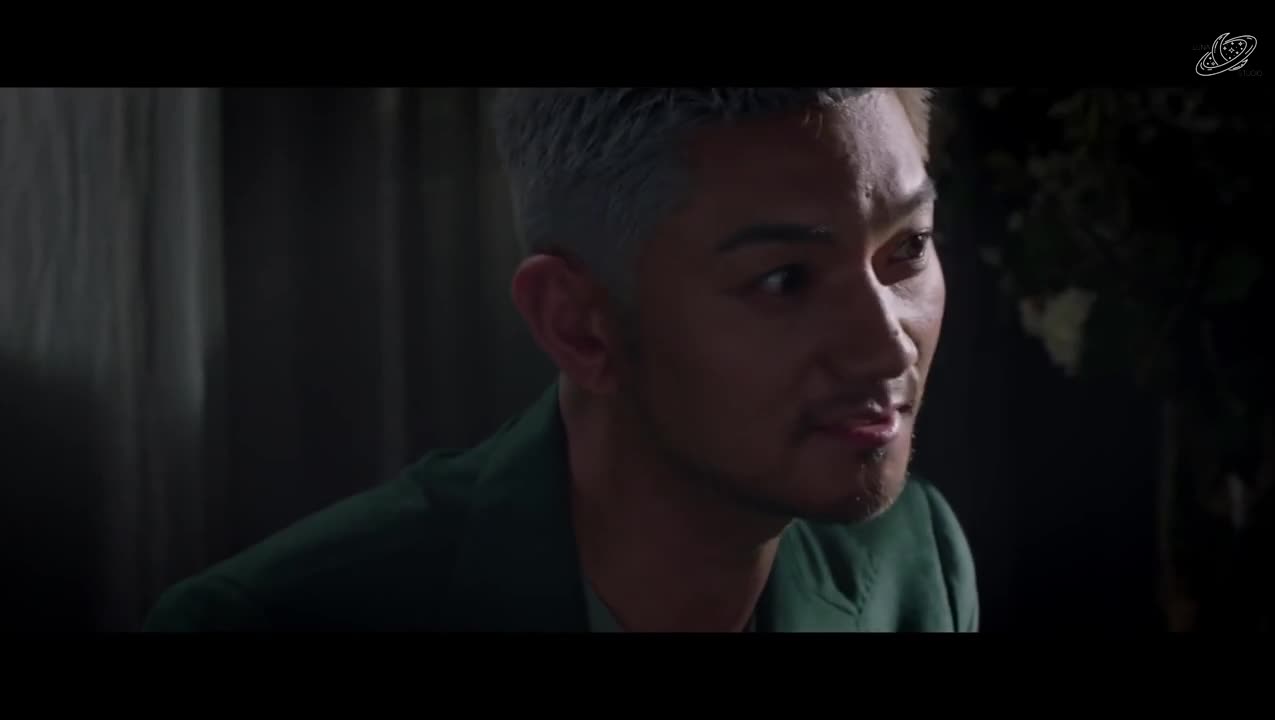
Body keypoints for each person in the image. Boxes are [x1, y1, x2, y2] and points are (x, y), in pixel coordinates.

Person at [143, 88, 978, 632]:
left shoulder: (913, 558)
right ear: (579, 326)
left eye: (908, 248)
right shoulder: (268, 621)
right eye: (784, 279)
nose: (885, 344)